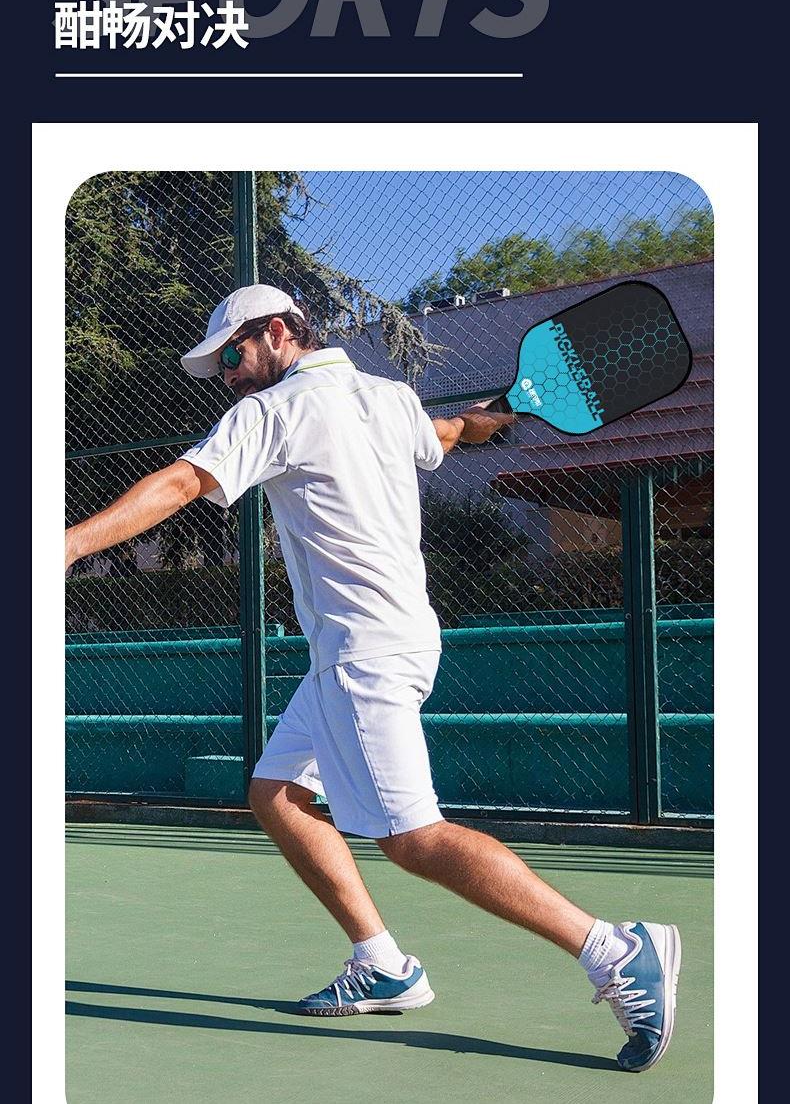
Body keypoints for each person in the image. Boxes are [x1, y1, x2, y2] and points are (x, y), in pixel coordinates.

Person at [65, 283, 681, 1072]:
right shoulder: (390, 400)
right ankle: (383, 963)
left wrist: (68, 546)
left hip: (363, 654)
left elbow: (182, 483)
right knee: (277, 793)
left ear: (279, 332)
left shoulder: (271, 413)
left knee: (414, 839)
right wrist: (492, 416)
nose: (228, 374)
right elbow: (449, 432)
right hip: (390, 641)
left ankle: (614, 949)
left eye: (233, 353)